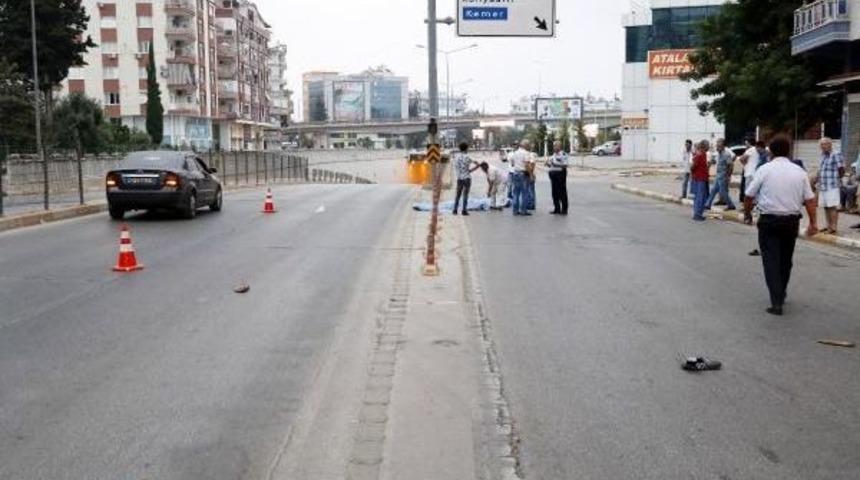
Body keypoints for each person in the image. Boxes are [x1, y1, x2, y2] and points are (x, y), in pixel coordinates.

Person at [744, 135, 818, 316]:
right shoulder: (799, 172)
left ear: (770, 151)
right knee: (786, 260)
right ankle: (781, 291)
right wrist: (813, 223)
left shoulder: (764, 170)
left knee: (771, 260)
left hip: (769, 221)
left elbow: (749, 195)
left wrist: (747, 213)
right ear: (789, 151)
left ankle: (776, 301)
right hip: (791, 222)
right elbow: (810, 200)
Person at [813, 137, 845, 234]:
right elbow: (821, 169)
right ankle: (828, 226)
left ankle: (833, 228)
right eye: (821, 144)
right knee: (826, 206)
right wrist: (816, 179)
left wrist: (837, 178)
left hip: (832, 185)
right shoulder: (823, 155)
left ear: (830, 145)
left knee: (832, 206)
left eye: (825, 144)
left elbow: (841, 169)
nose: (823, 146)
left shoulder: (836, 154)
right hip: (823, 185)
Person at [705, 138, 737, 210]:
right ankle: (707, 204)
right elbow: (715, 162)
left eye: (719, 146)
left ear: (723, 146)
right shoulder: (718, 154)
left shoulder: (726, 154)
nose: (717, 147)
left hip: (723, 175)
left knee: (723, 192)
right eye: (717, 145)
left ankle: (731, 205)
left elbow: (730, 165)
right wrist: (711, 162)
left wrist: (728, 176)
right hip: (718, 175)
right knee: (713, 190)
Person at [452, 142, 479, 216]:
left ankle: (455, 210)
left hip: (459, 178)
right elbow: (478, 164)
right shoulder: (468, 157)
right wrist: (471, 170)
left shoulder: (456, 157)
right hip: (467, 177)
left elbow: (455, 166)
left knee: (458, 195)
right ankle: (464, 210)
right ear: (466, 148)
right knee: (465, 195)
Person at [508, 140, 534, 216]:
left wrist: (517, 165)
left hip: (515, 173)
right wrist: (531, 175)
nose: (529, 146)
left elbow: (512, 163)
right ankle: (523, 211)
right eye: (528, 145)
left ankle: (515, 211)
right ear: (525, 145)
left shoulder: (515, 153)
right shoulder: (526, 153)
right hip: (523, 174)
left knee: (516, 193)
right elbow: (527, 165)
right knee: (524, 193)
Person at [546, 140, 570, 215]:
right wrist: (548, 164)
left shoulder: (563, 154)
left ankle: (564, 210)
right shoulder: (553, 155)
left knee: (562, 191)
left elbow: (565, 165)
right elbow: (551, 165)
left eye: (555, 146)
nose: (554, 147)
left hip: (560, 174)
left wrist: (556, 164)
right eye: (554, 146)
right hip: (553, 174)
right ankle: (557, 208)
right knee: (554, 192)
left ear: (559, 146)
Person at [739, 138, 764, 204]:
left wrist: (745, 165)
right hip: (754, 173)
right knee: (753, 190)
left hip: (751, 173)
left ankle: (749, 204)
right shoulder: (756, 150)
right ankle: (751, 203)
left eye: (746, 144)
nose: (745, 145)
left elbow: (741, 159)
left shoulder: (752, 150)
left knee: (750, 190)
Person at [691, 140, 710, 221]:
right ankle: (697, 214)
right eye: (708, 145)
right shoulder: (699, 155)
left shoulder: (703, 154)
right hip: (699, 178)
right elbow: (692, 166)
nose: (709, 147)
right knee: (700, 197)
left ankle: (698, 213)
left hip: (703, 178)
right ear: (704, 146)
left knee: (703, 196)